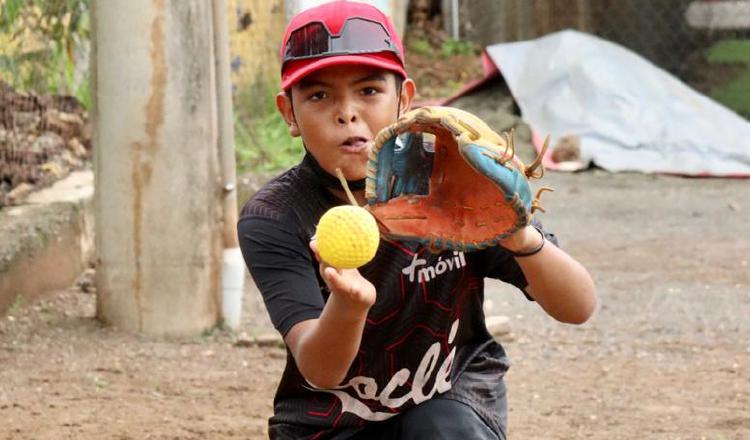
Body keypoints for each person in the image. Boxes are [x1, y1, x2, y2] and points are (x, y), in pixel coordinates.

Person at [237, 1, 597, 438]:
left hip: (447, 400)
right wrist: (349, 307)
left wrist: (519, 234)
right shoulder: (276, 215)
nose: (346, 112)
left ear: (404, 99)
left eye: (369, 91)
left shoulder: (453, 180)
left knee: (443, 426)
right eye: (318, 95)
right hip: (330, 423)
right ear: (289, 112)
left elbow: (578, 307)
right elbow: (320, 370)